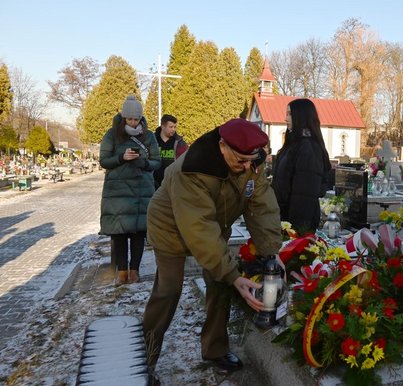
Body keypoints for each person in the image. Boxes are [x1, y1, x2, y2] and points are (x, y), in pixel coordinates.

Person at [142, 118, 282, 372]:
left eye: (251, 160)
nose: (247, 166)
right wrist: (232, 274)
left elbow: (262, 207)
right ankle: (145, 358)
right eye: (240, 160)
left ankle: (215, 349)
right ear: (222, 146)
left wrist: (271, 250)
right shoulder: (194, 168)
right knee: (169, 289)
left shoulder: (250, 162)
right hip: (170, 226)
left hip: (215, 223)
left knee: (220, 285)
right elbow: (199, 227)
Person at [99, 95, 161, 286]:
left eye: (136, 119)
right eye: (130, 119)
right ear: (124, 117)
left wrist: (142, 162)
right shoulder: (112, 134)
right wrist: (121, 157)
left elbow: (156, 162)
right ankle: (122, 272)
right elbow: (103, 161)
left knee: (138, 232)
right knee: (119, 233)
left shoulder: (148, 136)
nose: (133, 122)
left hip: (141, 190)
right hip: (117, 191)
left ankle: (135, 271)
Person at [271, 98, 331, 234]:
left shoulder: (308, 148)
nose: (285, 118)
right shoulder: (294, 144)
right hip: (284, 218)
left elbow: (304, 195)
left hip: (296, 224)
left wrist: (296, 231)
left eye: (290, 114)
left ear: (302, 116)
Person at [153, 114, 188, 189]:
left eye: (175, 127)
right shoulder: (152, 140)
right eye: (171, 127)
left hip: (172, 184)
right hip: (153, 183)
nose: (173, 129)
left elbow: (185, 162)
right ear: (163, 126)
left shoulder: (180, 143)